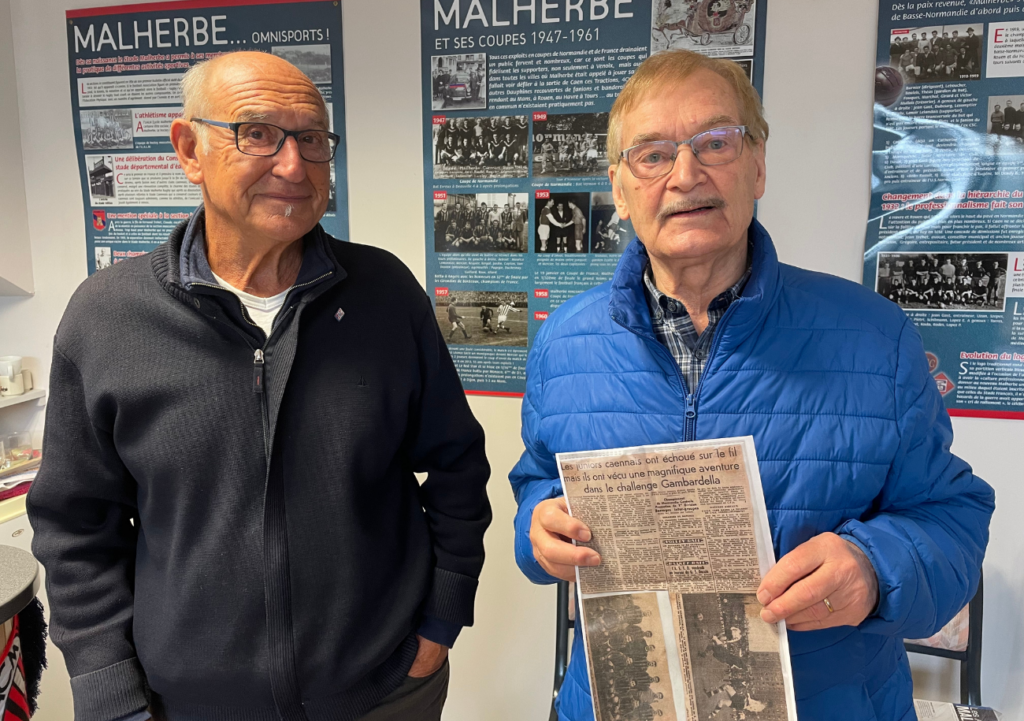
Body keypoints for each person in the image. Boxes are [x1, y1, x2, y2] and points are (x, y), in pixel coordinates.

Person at [509, 49, 993, 721]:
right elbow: (535, 482)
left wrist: (875, 566)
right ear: (617, 189)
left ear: (758, 164)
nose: (686, 173)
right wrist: (535, 527)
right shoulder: (563, 342)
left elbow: (952, 521)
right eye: (652, 153)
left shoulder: (874, 336)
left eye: (715, 142)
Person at [29, 52, 491, 721]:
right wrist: (106, 685)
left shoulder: (384, 295)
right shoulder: (107, 317)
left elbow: (457, 466)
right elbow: (76, 526)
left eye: (311, 139)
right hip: (184, 705)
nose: (293, 165)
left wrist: (440, 620)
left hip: (384, 690)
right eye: (257, 133)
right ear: (190, 150)